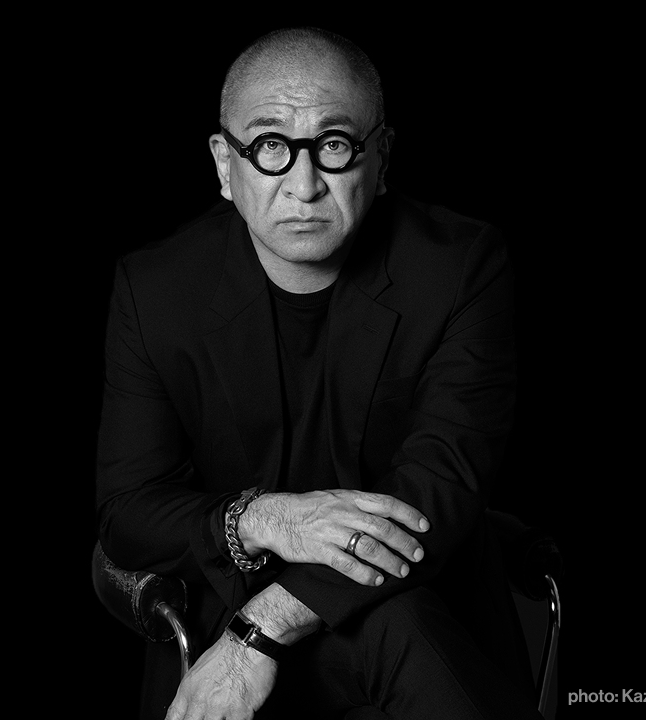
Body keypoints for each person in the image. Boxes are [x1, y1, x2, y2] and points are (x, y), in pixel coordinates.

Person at [96, 27, 540, 720]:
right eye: (269, 146)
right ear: (224, 164)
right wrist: (265, 518)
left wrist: (261, 629)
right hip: (224, 616)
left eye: (333, 145)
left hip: (416, 608)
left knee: (402, 624)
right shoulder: (156, 289)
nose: (303, 187)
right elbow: (128, 512)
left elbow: (439, 487)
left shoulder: (459, 267)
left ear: (380, 157)